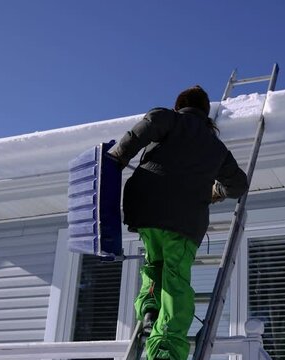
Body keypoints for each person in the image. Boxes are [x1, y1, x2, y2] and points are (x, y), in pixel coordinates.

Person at [109, 86, 248, 360]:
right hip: (184, 222)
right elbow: (239, 184)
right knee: (176, 279)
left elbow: (145, 128)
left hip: (146, 209)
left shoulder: (168, 119)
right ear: (205, 114)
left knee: (153, 263)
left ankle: (149, 310)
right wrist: (217, 191)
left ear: (179, 106)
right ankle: (165, 351)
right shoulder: (215, 147)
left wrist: (118, 158)